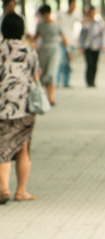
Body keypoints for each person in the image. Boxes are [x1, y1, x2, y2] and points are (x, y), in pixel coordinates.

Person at [0, 13, 39, 203]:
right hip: (23, 108)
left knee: (2, 147)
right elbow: (36, 77)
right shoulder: (29, 52)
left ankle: (4, 188)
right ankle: (20, 191)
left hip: (1, 107)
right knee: (23, 148)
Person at [35, 4, 70, 105]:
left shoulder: (57, 24)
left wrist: (68, 50)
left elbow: (63, 37)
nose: (45, 17)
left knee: (52, 72)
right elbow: (36, 37)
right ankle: (46, 96)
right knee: (44, 71)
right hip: (44, 49)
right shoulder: (40, 25)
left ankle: (51, 97)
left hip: (55, 49)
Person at [79, 6, 105, 87]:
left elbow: (102, 35)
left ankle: (93, 81)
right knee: (89, 64)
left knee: (94, 65)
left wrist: (104, 45)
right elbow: (82, 36)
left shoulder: (99, 23)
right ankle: (88, 81)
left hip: (96, 46)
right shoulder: (86, 23)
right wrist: (81, 46)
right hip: (88, 46)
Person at [56, 0, 79, 88]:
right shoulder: (61, 14)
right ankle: (57, 82)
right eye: (73, 4)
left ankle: (66, 81)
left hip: (70, 41)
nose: (74, 6)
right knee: (60, 61)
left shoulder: (75, 15)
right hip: (61, 41)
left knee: (68, 62)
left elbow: (83, 21)